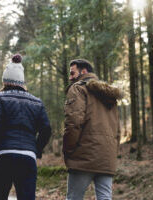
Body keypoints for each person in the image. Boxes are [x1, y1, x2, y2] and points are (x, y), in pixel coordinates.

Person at [0, 54, 52, 200]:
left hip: (4, 155)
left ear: (5, 81)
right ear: (22, 82)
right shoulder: (37, 102)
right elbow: (46, 129)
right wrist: (37, 149)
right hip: (28, 157)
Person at [63, 59, 122, 200]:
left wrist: (68, 150)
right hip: (106, 156)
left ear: (84, 72)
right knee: (105, 197)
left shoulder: (78, 88)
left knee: (73, 197)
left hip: (83, 155)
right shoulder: (110, 95)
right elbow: (117, 130)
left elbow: (73, 123)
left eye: (72, 73)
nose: (70, 77)